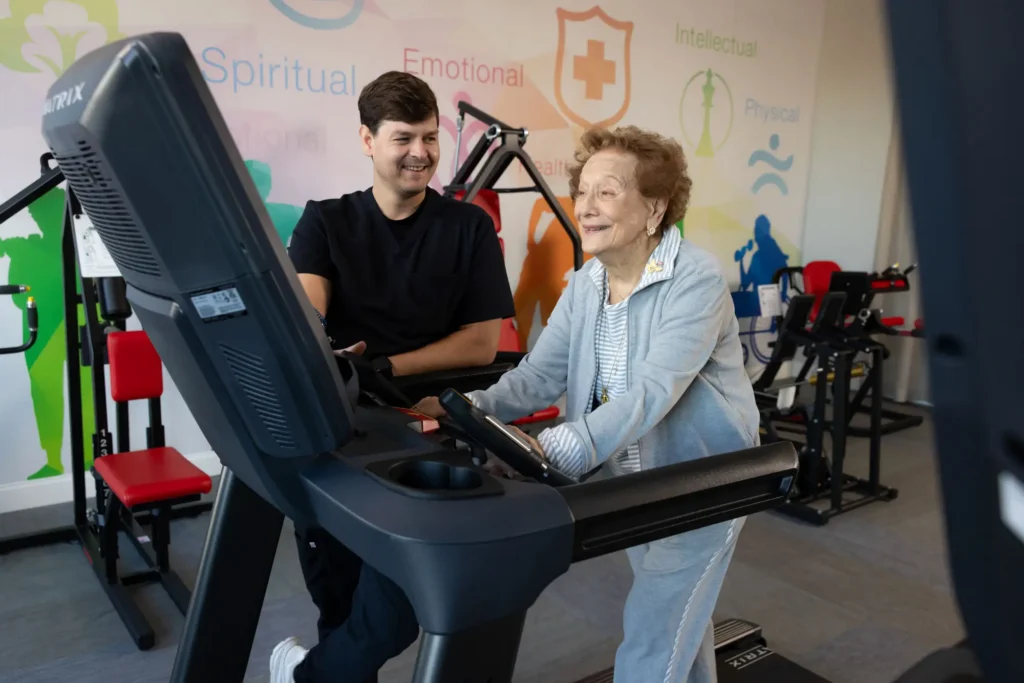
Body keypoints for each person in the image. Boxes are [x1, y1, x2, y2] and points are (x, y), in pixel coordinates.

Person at [415, 126, 760, 682]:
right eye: (583, 191)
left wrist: (559, 445)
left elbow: (653, 389)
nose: (587, 207)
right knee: (675, 619)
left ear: (654, 207)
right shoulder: (586, 284)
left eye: (608, 191)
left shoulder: (695, 281)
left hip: (701, 478)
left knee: (654, 629)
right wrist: (465, 410)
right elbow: (537, 376)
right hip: (628, 478)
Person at [270, 71, 517, 683]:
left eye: (430, 137)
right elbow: (309, 314)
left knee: (398, 608)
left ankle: (305, 676)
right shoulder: (326, 222)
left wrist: (383, 365)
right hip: (342, 424)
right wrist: (333, 352)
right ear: (367, 139)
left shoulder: (469, 228)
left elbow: (483, 339)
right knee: (341, 597)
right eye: (404, 137)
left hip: (427, 426)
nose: (421, 152)